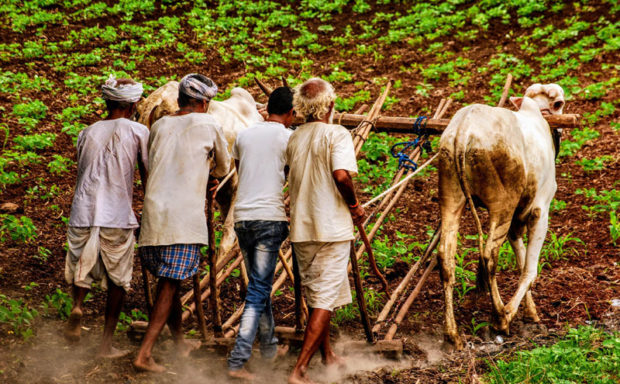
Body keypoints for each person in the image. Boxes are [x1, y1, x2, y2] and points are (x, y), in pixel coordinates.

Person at [133, 74, 231, 372]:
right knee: (170, 282)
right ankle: (145, 354)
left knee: (169, 280)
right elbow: (225, 165)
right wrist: (209, 175)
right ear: (203, 102)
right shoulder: (210, 124)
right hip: (183, 217)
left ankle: (177, 343)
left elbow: (153, 163)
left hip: (153, 215)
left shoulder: (160, 125)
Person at [285, 78, 365, 384]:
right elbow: (341, 175)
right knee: (323, 298)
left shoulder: (294, 137)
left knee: (319, 295)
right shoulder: (336, 134)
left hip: (303, 228)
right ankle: (299, 370)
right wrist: (355, 205)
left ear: (301, 107)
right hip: (330, 228)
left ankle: (327, 355)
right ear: (330, 105)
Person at [64, 75, 148, 359]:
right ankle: (105, 345)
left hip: (82, 211)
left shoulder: (86, 132)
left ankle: (77, 305)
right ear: (133, 103)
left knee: (80, 265)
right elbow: (147, 173)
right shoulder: (137, 131)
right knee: (118, 279)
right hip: (116, 214)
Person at [227, 87, 295, 380]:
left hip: (242, 219)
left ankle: (269, 348)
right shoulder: (289, 138)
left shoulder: (245, 134)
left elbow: (241, 170)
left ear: (267, 108)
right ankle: (237, 361)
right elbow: (292, 173)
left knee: (258, 285)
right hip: (269, 219)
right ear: (291, 113)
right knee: (257, 291)